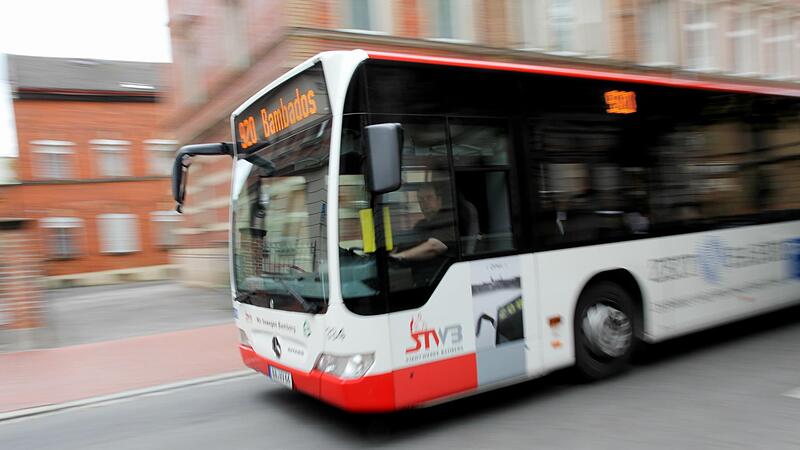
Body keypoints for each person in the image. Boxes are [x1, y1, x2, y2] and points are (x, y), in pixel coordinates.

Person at [390, 182, 456, 263]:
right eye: (421, 200)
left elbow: (434, 246)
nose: (424, 203)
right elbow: (411, 243)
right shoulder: (420, 224)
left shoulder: (447, 220)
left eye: (429, 197)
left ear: (439, 200)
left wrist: (401, 256)